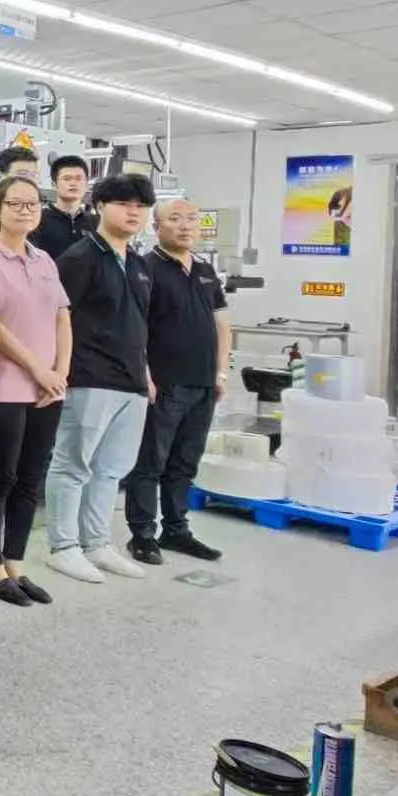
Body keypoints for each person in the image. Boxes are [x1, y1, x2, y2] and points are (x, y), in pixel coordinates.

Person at [43, 173, 160, 585]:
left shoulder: (140, 265)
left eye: (141, 206)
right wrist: (59, 371)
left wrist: (145, 373)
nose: (133, 212)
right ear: (100, 207)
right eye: (124, 204)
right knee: (72, 464)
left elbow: (139, 323)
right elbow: (55, 319)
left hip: (132, 382)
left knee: (110, 470)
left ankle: (96, 543)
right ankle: (63, 547)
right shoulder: (79, 258)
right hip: (89, 376)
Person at [0, 174, 72, 608]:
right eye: (14, 204)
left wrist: (59, 373)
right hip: (6, 386)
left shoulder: (44, 260)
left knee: (31, 480)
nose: (25, 210)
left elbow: (62, 318)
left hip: (49, 389)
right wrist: (37, 368)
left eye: (32, 204)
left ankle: (15, 561)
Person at [122, 197, 231, 566]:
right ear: (156, 227)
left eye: (191, 219)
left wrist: (220, 372)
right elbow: (134, 328)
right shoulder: (145, 268)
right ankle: (142, 534)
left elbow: (222, 324)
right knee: (150, 462)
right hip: (164, 384)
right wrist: (145, 375)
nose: (185, 226)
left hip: (203, 383)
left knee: (185, 461)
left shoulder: (205, 270)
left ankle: (176, 530)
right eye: (175, 219)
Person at [31, 153, 97, 257]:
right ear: (54, 184)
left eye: (79, 178)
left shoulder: (96, 222)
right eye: (67, 178)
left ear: (86, 184)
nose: (73, 183)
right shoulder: (37, 219)